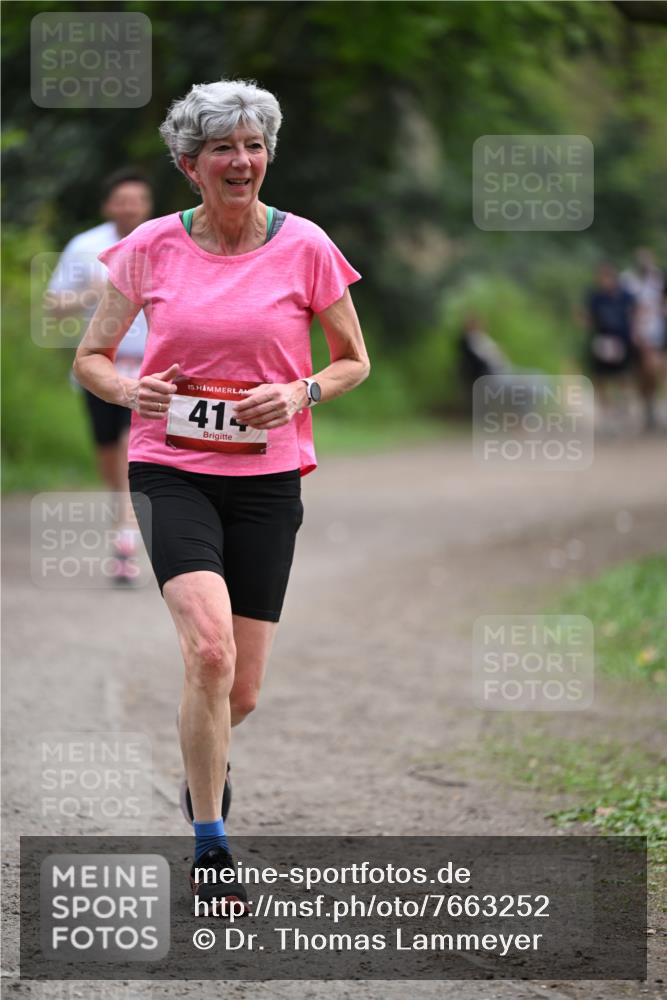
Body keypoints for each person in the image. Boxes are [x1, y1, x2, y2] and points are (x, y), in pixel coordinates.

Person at [73, 79, 370, 913]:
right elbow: (90, 359)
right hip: (171, 469)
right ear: (188, 165)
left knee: (238, 692)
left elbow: (352, 358)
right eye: (221, 149)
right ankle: (211, 847)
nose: (240, 161)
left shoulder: (305, 245)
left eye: (252, 146)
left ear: (267, 155)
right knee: (208, 651)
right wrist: (133, 393)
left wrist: (302, 391)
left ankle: (205, 768)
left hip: (268, 481)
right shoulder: (152, 249)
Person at [46, 168, 154, 580]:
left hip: (148, 367)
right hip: (99, 367)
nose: (130, 208)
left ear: (147, 205)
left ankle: (125, 542)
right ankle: (122, 513)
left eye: (138, 201)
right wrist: (93, 293)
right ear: (109, 205)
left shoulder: (166, 242)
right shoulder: (84, 246)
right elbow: (54, 306)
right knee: (108, 456)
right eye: (122, 200)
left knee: (130, 450)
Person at [584, 262, 637, 432]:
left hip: (622, 341)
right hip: (602, 342)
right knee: (600, 378)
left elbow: (636, 313)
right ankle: (606, 413)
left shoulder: (626, 296)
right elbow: (588, 318)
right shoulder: (595, 297)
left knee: (623, 377)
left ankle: (625, 410)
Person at [621, 248, 666, 430]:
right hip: (635, 333)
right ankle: (647, 408)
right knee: (641, 374)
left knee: (655, 370)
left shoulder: (659, 278)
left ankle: (652, 407)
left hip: (657, 331)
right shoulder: (627, 280)